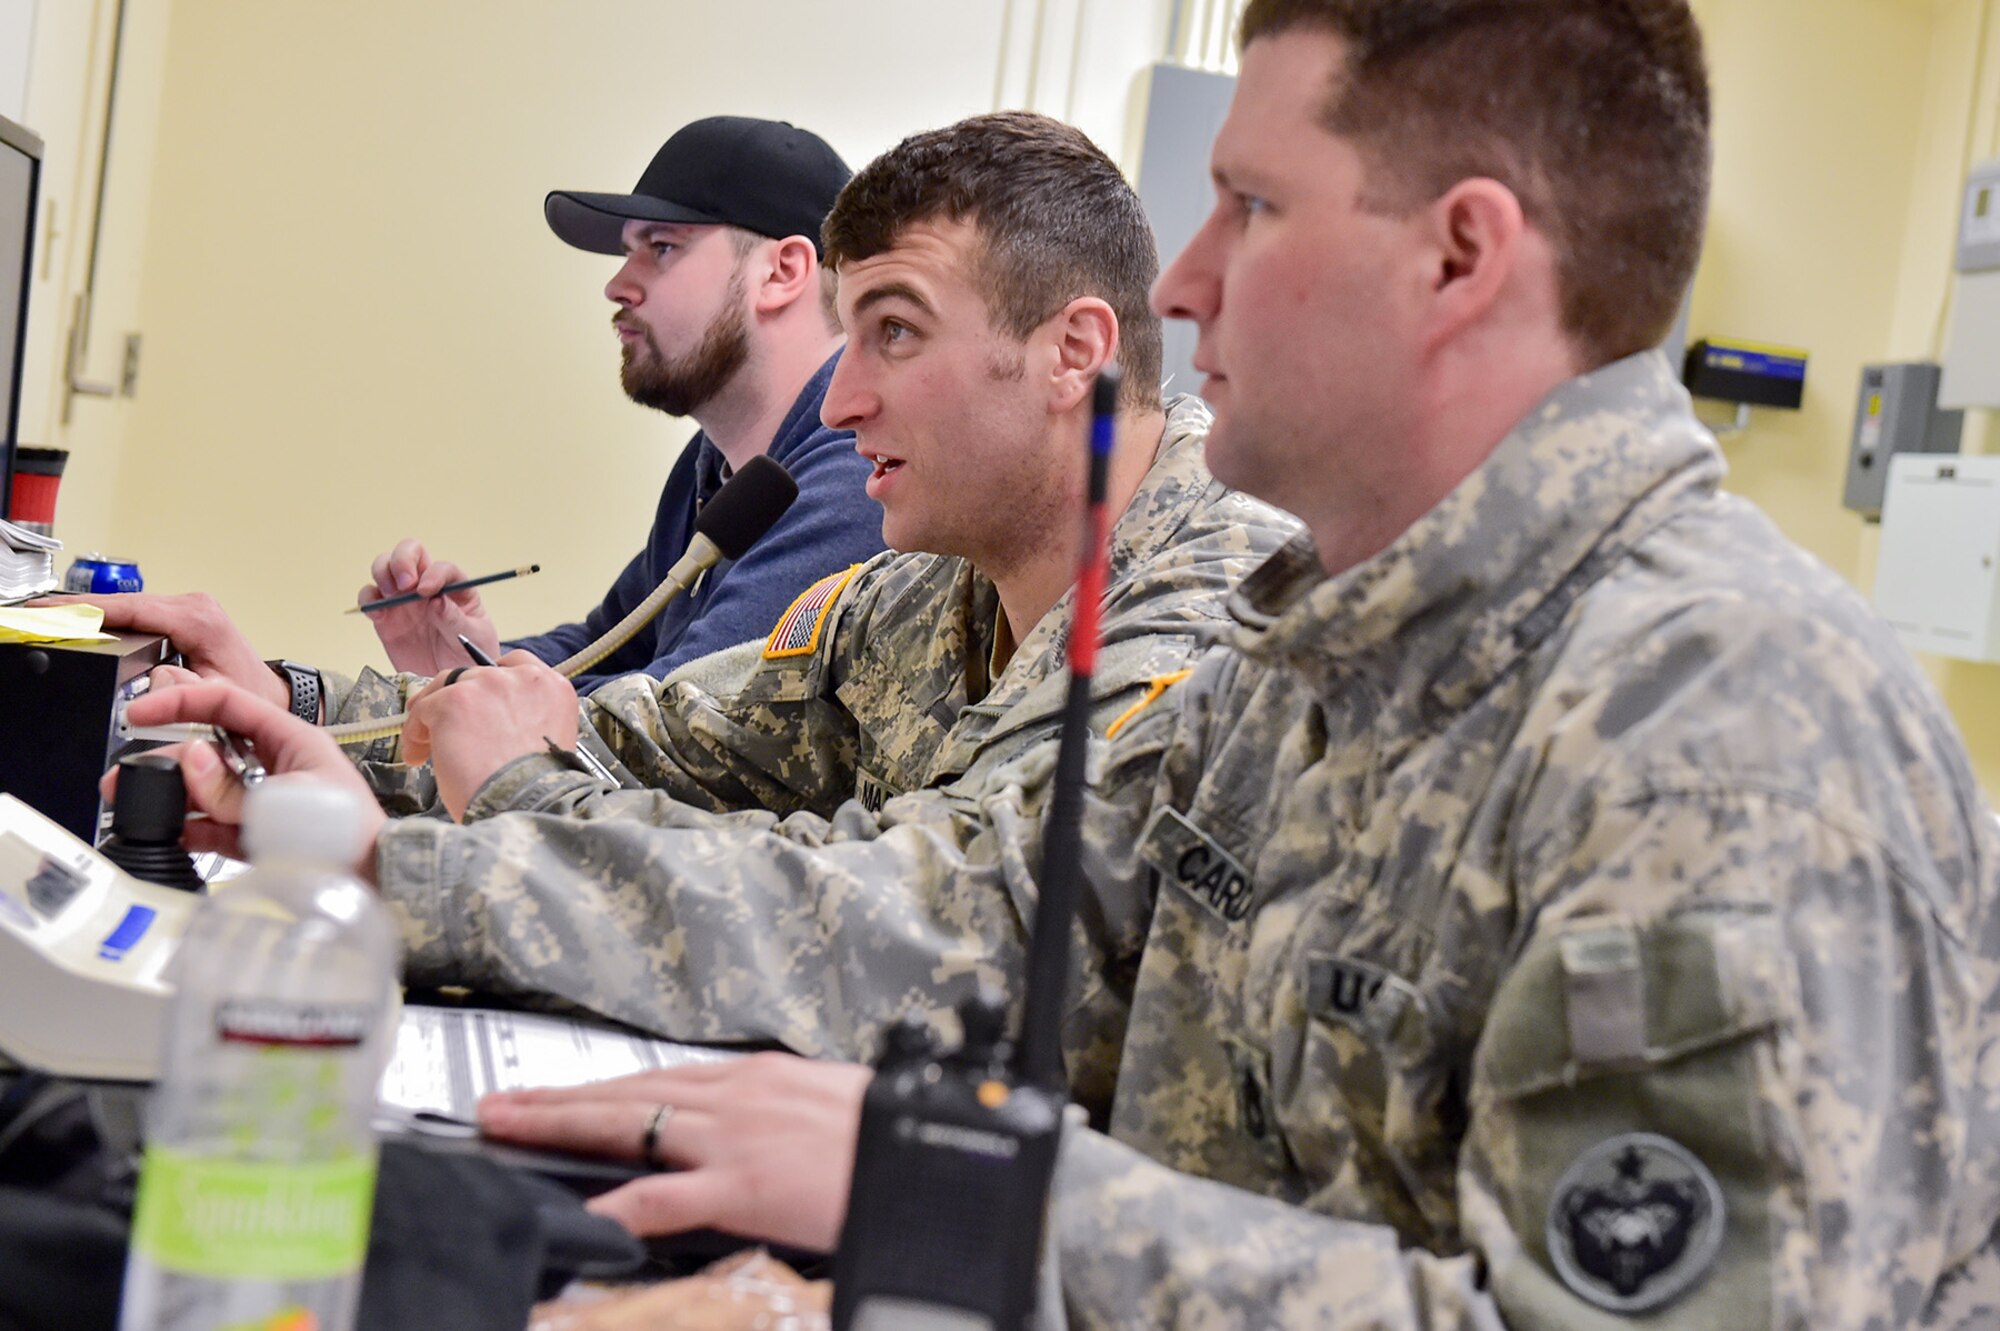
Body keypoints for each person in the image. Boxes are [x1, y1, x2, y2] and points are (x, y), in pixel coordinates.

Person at [122, 5, 2000, 1324]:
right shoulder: (1330, 646)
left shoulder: (1723, 725)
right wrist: (369, 859)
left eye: (1252, 205)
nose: (1183, 282)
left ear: (1460, 258)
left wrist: (961, 1195)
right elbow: (964, 920)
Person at [124, 112, 1296, 1089]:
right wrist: (293, 717)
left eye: (893, 332)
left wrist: (423, 854)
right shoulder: (918, 591)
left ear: (1073, 352)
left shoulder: (1215, 608)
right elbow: (635, 736)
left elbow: (936, 929)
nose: (837, 404)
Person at [69, 115, 887, 724]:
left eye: (661, 247)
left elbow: (661, 727)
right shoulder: (717, 467)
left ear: (782, 271)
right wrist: (475, 660)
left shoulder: (854, 479)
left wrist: (300, 699)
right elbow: (608, 645)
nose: (618, 283)